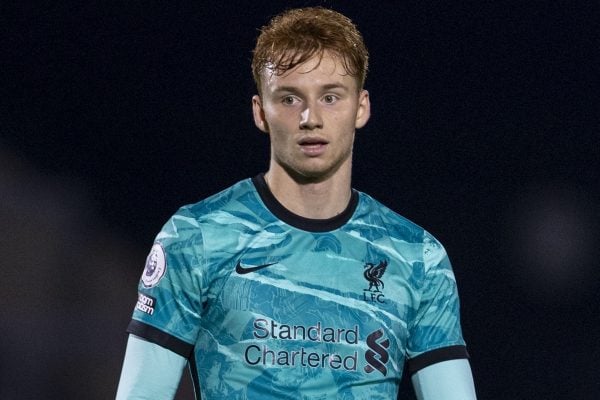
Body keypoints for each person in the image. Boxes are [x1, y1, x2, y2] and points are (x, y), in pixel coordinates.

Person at [116, 7, 477, 400]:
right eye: (289, 98)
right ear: (260, 112)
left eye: (331, 97)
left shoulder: (417, 257)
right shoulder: (197, 238)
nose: (310, 117)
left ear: (361, 107)